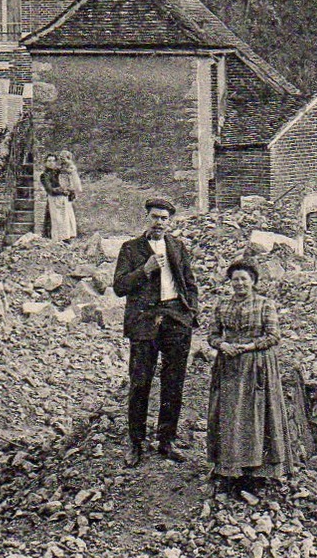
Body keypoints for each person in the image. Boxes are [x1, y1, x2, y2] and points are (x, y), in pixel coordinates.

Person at [112, 197, 197, 467]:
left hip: (175, 319)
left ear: (169, 222)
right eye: (155, 217)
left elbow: (190, 283)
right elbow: (119, 286)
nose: (159, 222)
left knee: (173, 383)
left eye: (164, 218)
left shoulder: (178, 246)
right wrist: (144, 270)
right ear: (146, 217)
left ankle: (166, 440)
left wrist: (190, 312)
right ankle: (136, 443)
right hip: (144, 321)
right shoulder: (130, 248)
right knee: (140, 383)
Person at [206, 258, 299, 497]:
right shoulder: (221, 305)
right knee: (230, 415)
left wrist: (248, 346)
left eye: (244, 279)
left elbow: (273, 336)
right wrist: (223, 344)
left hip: (257, 366)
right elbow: (212, 335)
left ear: (253, 281)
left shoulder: (265, 304)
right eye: (235, 279)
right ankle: (229, 470)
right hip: (228, 367)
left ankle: (257, 471)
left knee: (256, 415)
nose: (239, 284)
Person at [41, 153, 78, 242]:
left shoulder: (59, 172)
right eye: (49, 161)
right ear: (45, 162)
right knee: (57, 221)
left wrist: (70, 190)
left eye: (53, 161)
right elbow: (49, 190)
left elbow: (69, 176)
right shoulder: (44, 175)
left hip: (63, 200)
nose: (51, 163)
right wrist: (62, 190)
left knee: (66, 220)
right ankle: (57, 240)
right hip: (54, 200)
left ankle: (66, 240)